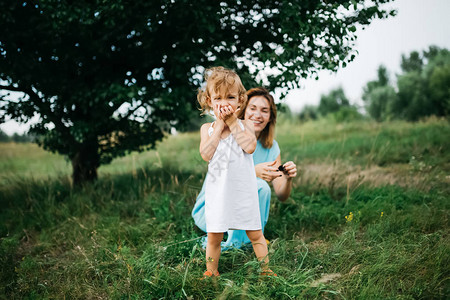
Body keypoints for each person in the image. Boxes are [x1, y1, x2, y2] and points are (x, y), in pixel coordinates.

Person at [192, 86, 298, 249]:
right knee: (259, 184)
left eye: (264, 110)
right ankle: (237, 243)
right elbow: (218, 172)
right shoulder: (226, 134)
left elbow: (282, 195)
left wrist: (288, 178)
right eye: (253, 108)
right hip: (213, 207)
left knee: (262, 188)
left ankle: (249, 239)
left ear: (270, 117)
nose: (257, 115)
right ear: (242, 111)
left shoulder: (272, 147)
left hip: (240, 212)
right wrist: (253, 172)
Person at [197, 67, 275, 277]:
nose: (224, 103)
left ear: (240, 100)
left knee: (256, 234)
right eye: (218, 98)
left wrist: (231, 122)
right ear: (209, 100)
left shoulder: (245, 125)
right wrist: (220, 124)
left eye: (230, 97)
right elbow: (206, 154)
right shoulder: (208, 129)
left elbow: (249, 147)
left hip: (243, 192)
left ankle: (265, 269)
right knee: (214, 237)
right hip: (218, 193)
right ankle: (211, 271)